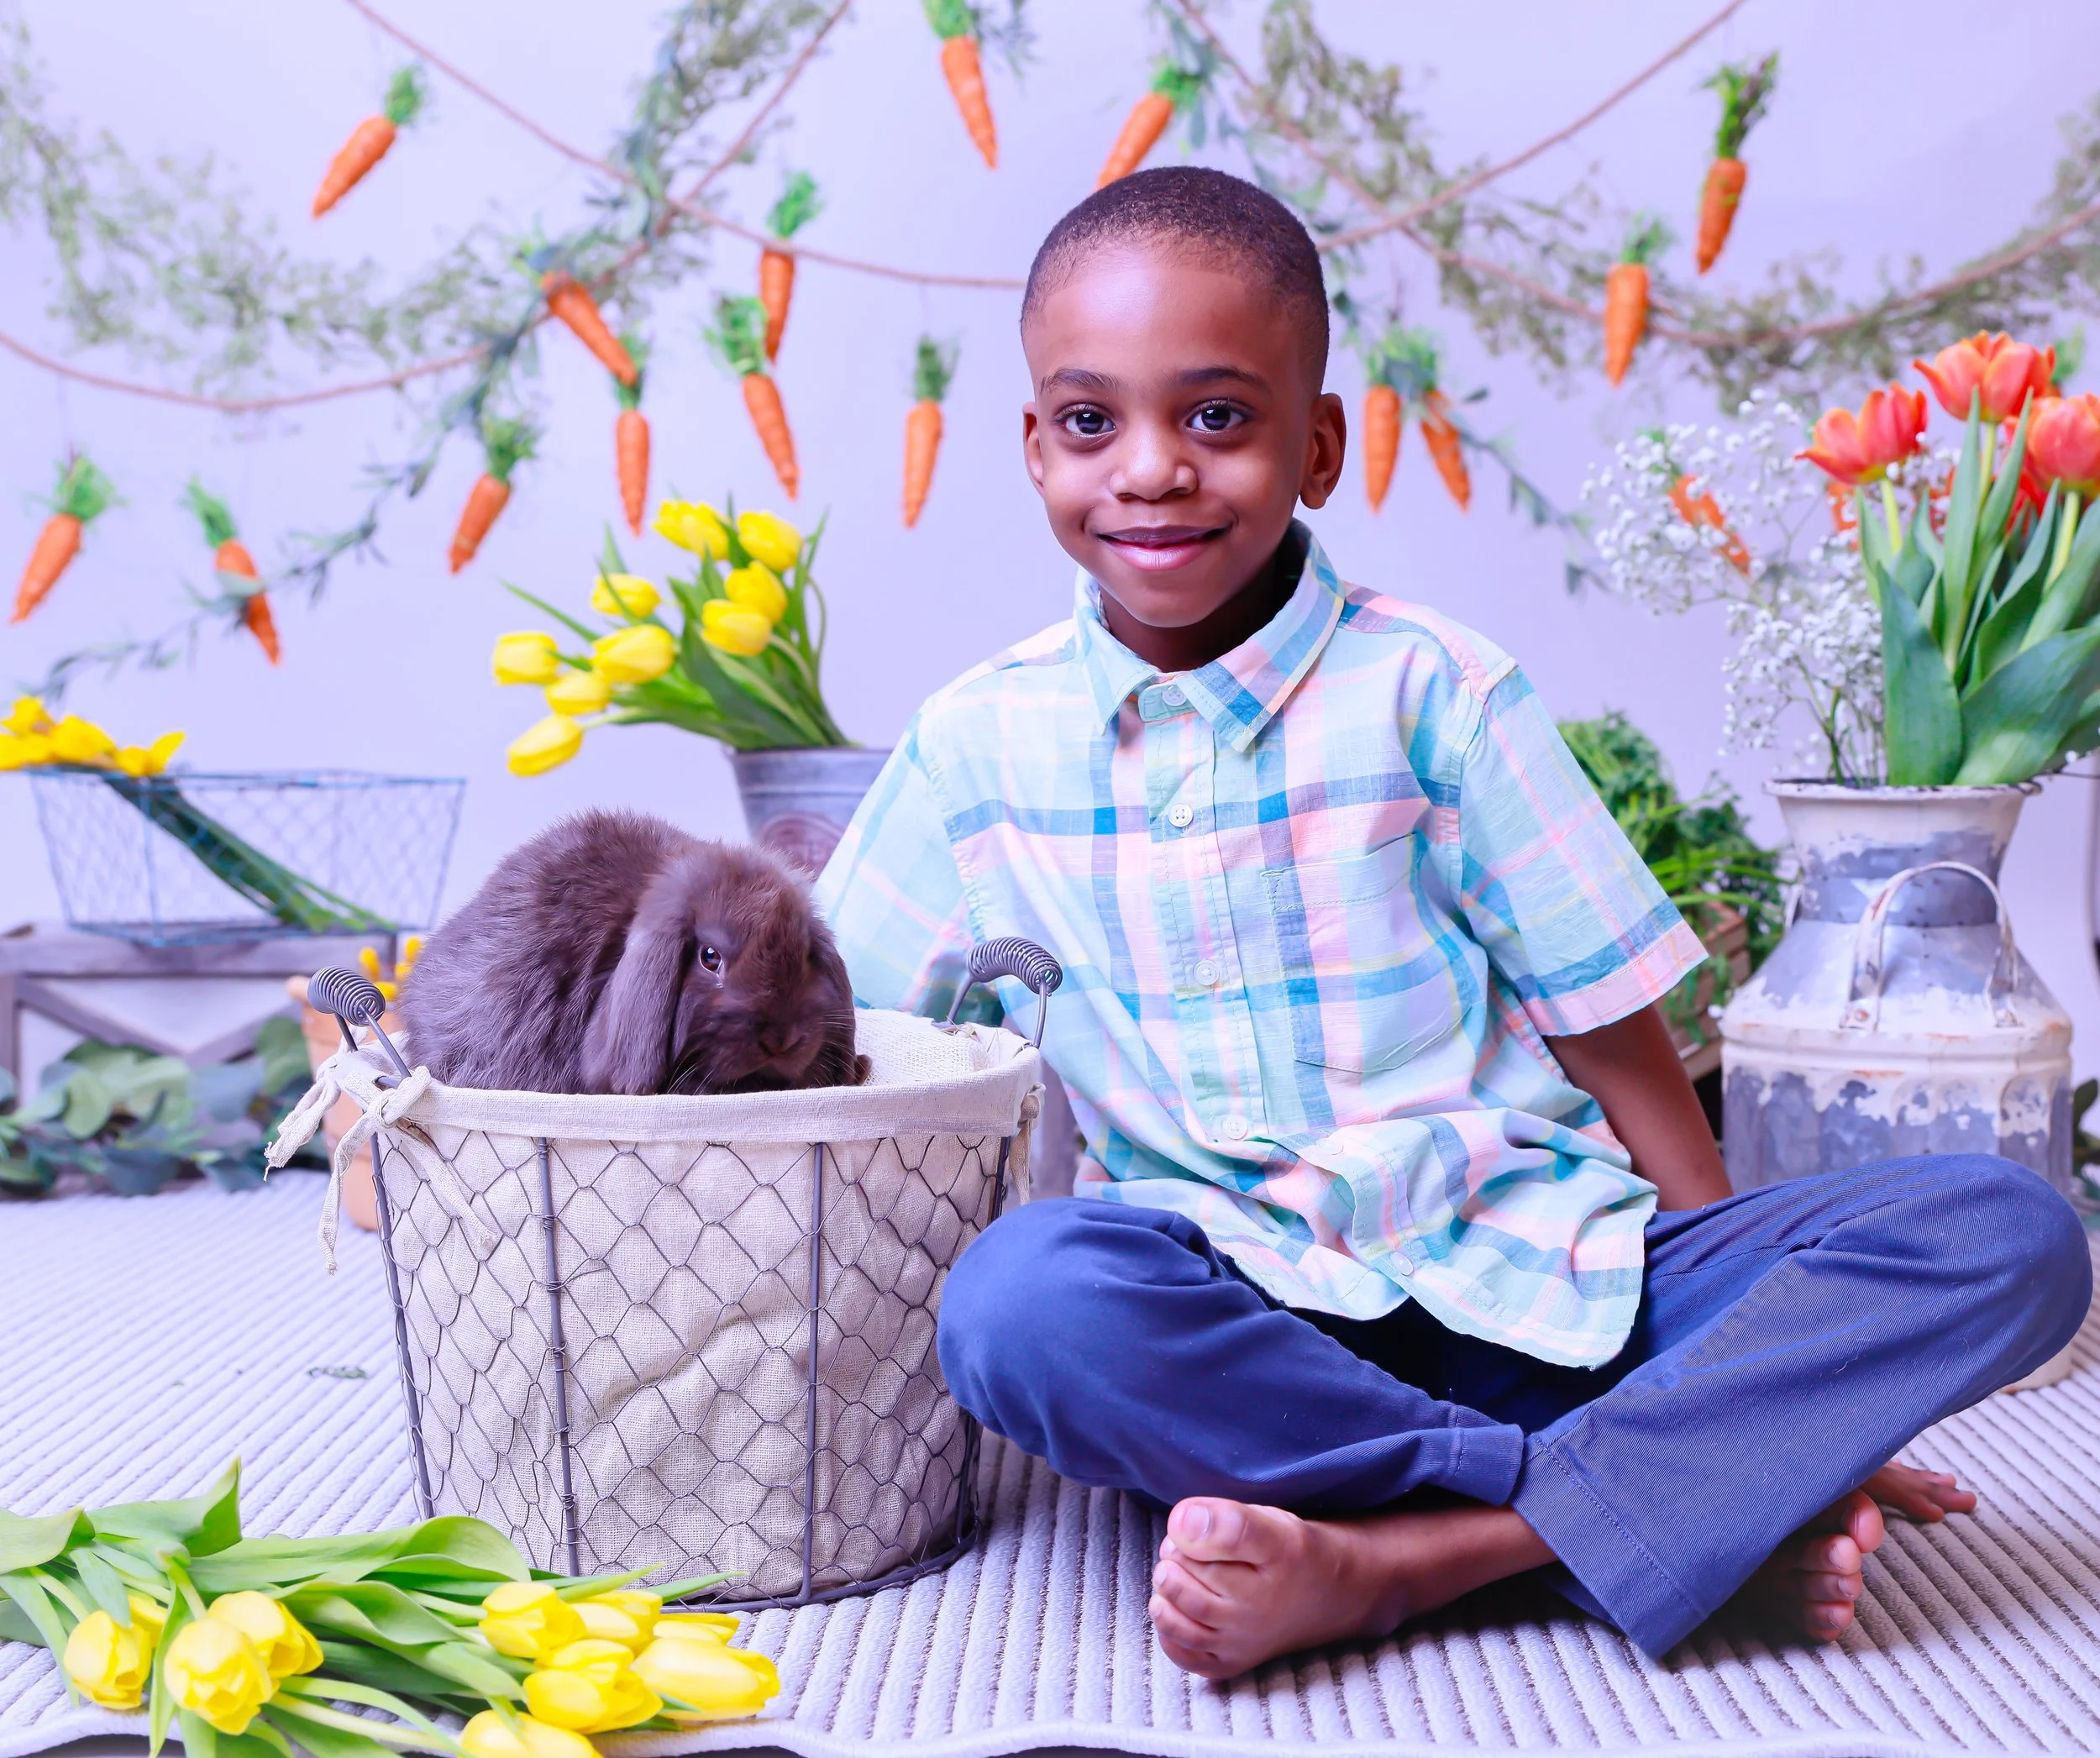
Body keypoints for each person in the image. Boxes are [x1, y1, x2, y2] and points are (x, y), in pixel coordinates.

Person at [814, 166, 2091, 1680]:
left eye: (1217, 417)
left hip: (1553, 1275)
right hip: (1243, 1329)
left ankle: (1417, 1560)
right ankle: (1650, 1513)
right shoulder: (977, 744)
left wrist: (1744, 1315)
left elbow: (1613, 1022)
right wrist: (1774, 1429)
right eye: (1092, 422)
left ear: (1320, 446)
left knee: (2012, 1236)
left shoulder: (1435, 690)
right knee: (1022, 1306)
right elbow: (840, 1036)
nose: (1151, 469)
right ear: (1036, 450)